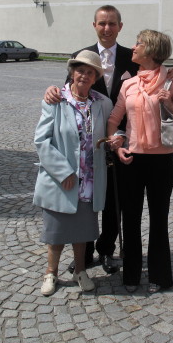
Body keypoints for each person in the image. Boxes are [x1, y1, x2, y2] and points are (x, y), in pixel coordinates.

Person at [44, 5, 173, 275]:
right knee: (84, 200)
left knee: (113, 200)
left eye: (112, 24)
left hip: (124, 140)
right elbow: (69, 88)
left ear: (120, 26)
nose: (106, 28)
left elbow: (157, 69)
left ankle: (107, 249)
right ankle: (83, 251)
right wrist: (52, 91)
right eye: (102, 23)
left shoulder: (132, 57)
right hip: (89, 140)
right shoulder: (81, 56)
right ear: (94, 26)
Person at [107, 30, 173, 294]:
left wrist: (172, 106)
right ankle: (131, 275)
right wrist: (117, 142)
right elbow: (114, 119)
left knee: (159, 220)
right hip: (131, 160)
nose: (133, 47)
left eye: (139, 44)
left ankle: (160, 275)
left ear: (152, 51)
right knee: (131, 219)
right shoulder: (128, 84)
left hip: (161, 163)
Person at [34, 50, 113, 296]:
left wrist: (117, 139)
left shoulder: (103, 103)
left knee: (81, 232)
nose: (85, 76)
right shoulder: (56, 100)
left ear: (96, 77)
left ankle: (80, 270)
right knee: (56, 232)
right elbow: (41, 140)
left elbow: (112, 132)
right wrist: (62, 171)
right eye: (80, 70)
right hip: (61, 180)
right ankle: (51, 273)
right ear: (71, 72)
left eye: (90, 72)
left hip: (90, 179)